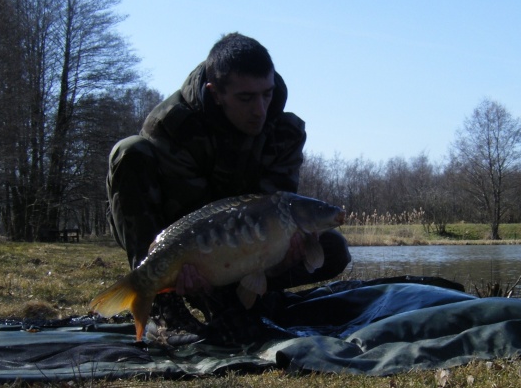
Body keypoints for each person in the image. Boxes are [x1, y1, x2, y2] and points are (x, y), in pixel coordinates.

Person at [106, 32, 351, 344]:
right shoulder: (172, 125)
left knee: (333, 249)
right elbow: (190, 218)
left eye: (267, 94)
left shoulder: (284, 130)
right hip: (183, 237)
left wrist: (283, 253)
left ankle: (245, 300)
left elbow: (278, 206)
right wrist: (197, 277)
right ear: (216, 93)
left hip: (246, 242)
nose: (260, 109)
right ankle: (162, 305)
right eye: (246, 99)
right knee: (129, 151)